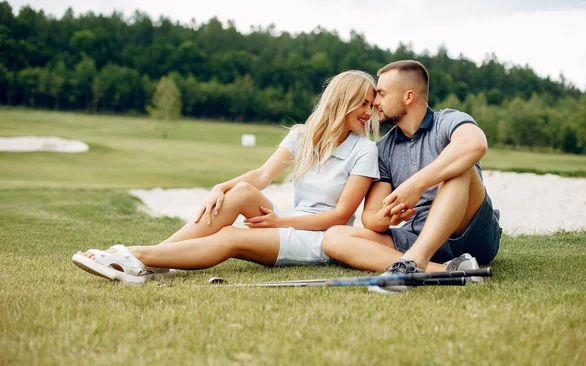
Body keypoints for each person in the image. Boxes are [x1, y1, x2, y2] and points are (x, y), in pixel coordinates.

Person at [72, 70, 382, 284]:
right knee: (243, 191)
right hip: (292, 222)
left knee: (231, 237)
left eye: (372, 104)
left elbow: (340, 216)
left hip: (320, 239)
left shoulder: (364, 150)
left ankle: (138, 256)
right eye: (364, 103)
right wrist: (221, 187)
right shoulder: (303, 135)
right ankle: (154, 261)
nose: (369, 112)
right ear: (342, 101)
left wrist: (280, 222)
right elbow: (262, 175)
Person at [322, 60, 502, 293]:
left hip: (471, 234)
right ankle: (445, 271)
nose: (375, 102)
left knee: (459, 169)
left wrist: (416, 185)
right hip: (418, 236)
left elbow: (475, 144)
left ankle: (412, 265)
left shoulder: (448, 121)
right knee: (334, 237)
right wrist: (386, 218)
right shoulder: (383, 148)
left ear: (408, 97)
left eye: (382, 94)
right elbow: (370, 217)